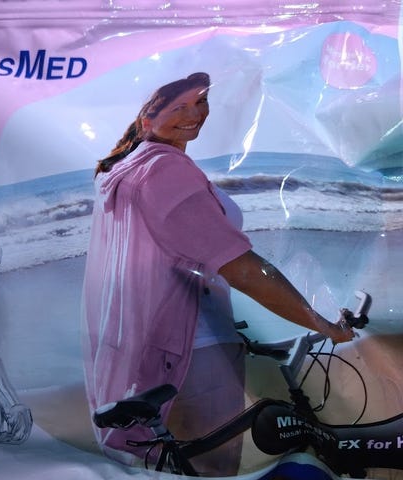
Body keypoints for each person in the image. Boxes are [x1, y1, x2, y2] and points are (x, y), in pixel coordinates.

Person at [81, 72, 354, 476]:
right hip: (195, 346)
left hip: (149, 346)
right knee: (216, 469)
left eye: (201, 102)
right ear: (146, 119)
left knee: (178, 468)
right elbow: (241, 268)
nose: (195, 114)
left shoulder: (126, 171)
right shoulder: (163, 172)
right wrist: (322, 323)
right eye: (180, 107)